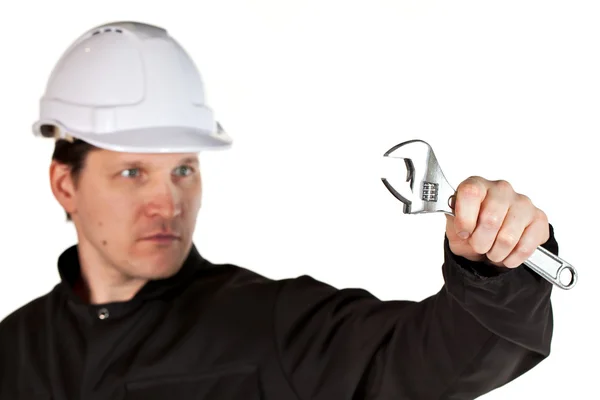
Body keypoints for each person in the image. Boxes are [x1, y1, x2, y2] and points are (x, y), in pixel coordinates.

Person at [0, 21, 559, 399]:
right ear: (64, 185)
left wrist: (493, 267)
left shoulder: (274, 325)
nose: (166, 202)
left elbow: (451, 358)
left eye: (183, 170)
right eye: (131, 173)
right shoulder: (15, 349)